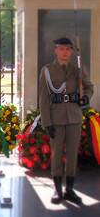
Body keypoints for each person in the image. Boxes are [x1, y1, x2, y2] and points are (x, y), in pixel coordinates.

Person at [39, 36, 94, 205]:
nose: (65, 52)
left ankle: (69, 190)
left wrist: (86, 99)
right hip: (56, 118)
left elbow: (89, 87)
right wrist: (47, 123)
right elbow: (44, 98)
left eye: (68, 49)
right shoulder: (47, 71)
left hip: (74, 117)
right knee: (56, 156)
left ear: (71, 51)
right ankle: (57, 190)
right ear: (56, 51)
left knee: (72, 156)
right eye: (61, 49)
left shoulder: (77, 69)